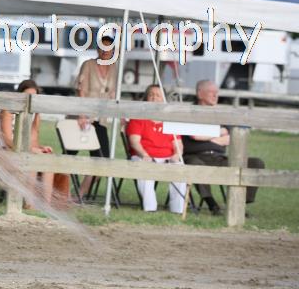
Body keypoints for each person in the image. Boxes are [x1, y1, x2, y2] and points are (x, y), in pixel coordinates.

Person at [182, 80, 265, 215]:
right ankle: (212, 204)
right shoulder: (189, 112)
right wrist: (218, 134)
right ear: (200, 94)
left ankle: (238, 205)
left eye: (217, 92)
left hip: (218, 157)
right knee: (195, 165)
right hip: (195, 156)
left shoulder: (221, 114)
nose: (216, 95)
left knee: (256, 163)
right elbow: (195, 136)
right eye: (211, 92)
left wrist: (207, 135)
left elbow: (229, 138)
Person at [125, 84, 186, 213]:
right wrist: (145, 155)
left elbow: (178, 143)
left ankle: (177, 210)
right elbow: (134, 142)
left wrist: (177, 154)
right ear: (146, 98)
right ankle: (150, 208)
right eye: (151, 95)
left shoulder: (169, 119)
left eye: (158, 95)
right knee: (145, 167)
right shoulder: (138, 118)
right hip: (144, 155)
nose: (154, 98)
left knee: (179, 168)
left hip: (167, 157)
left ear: (163, 99)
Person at [71, 33, 118, 199]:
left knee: (102, 159)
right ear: (98, 49)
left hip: (100, 120)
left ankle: (80, 194)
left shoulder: (115, 68)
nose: (105, 51)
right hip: (83, 118)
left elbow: (113, 94)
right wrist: (82, 115)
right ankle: (57, 191)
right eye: (102, 48)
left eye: (109, 48)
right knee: (69, 154)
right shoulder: (88, 64)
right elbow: (81, 90)